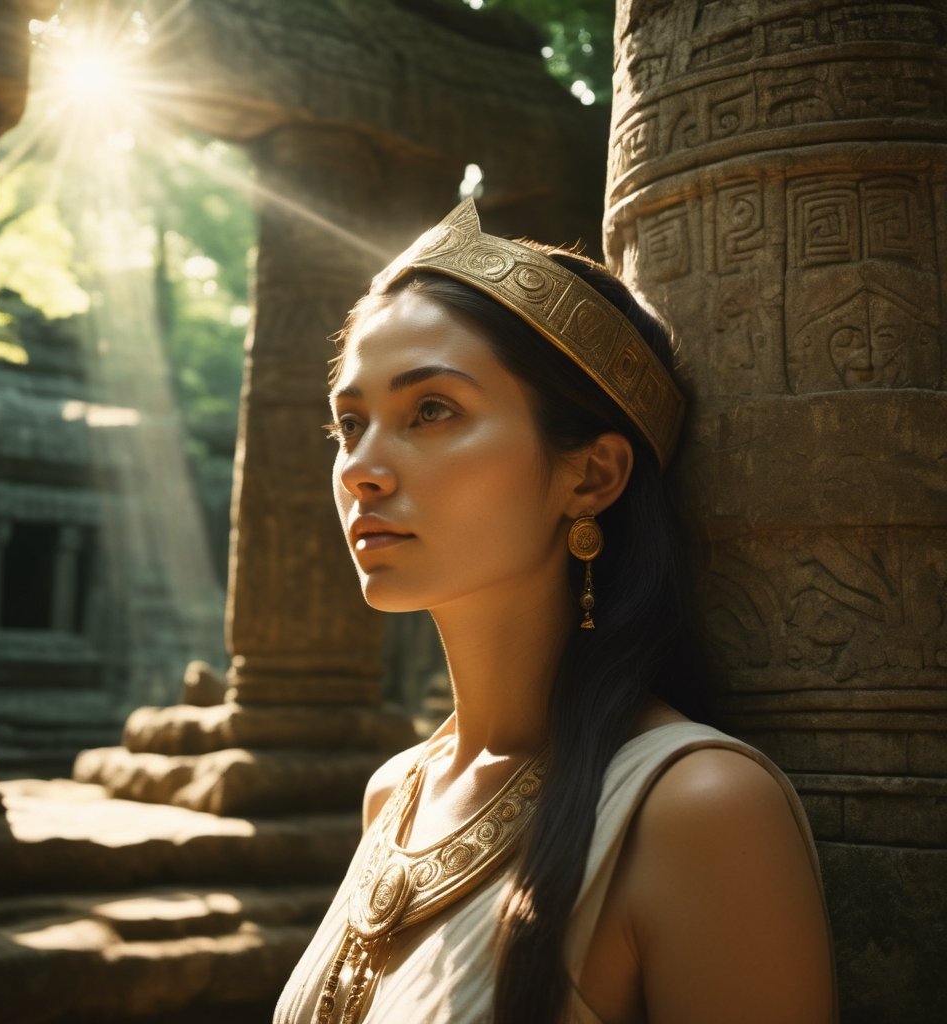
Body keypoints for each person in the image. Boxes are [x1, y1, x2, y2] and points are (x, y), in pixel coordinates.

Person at [273, 199, 836, 1024]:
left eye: (432, 410)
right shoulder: (394, 793)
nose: (361, 468)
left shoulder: (699, 810)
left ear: (592, 477)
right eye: (349, 424)